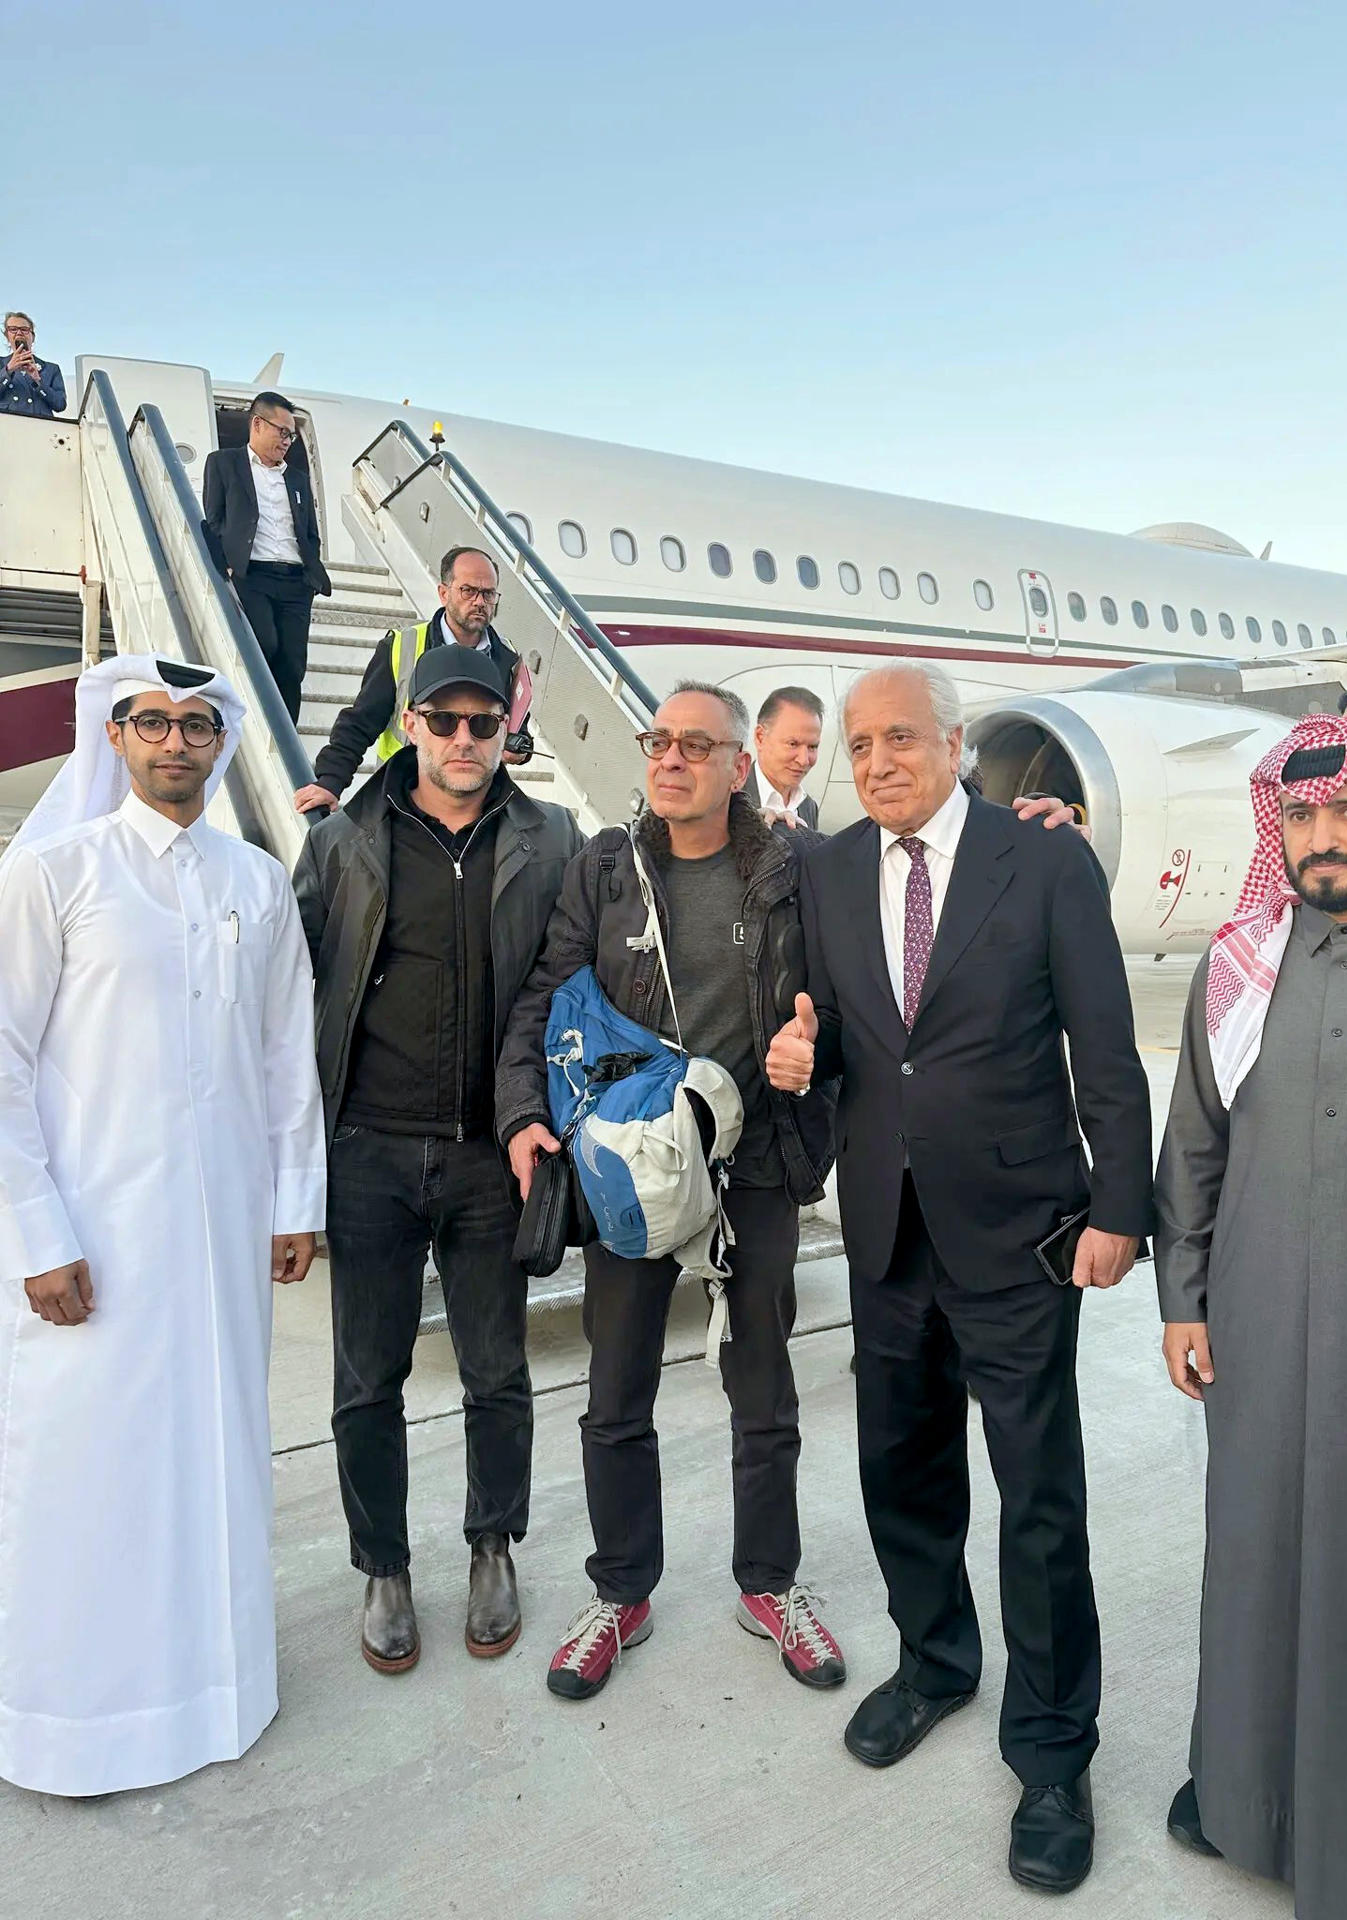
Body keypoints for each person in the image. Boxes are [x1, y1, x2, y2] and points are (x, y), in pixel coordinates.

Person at [765, 662, 1152, 1896]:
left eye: (899, 740)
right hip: (886, 1231)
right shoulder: (825, 872)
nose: (876, 762)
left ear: (953, 744)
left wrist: (1120, 1207)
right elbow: (839, 1046)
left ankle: (1050, 1752)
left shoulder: (1041, 860)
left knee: (1039, 1503)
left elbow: (1104, 1040)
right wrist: (797, 1058)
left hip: (1021, 1232)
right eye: (858, 745)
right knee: (902, 1472)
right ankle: (934, 1662)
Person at [0, 654, 325, 1797]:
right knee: (87, 1466)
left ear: (219, 741)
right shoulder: (53, 872)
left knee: (215, 1455)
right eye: (152, 723)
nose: (175, 742)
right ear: (115, 737)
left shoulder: (255, 880)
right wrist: (37, 1234)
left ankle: (215, 1691)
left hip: (225, 1233)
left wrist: (295, 1201)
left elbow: (288, 1051)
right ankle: (75, 1722)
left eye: (196, 725)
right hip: (91, 1236)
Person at [497, 682, 845, 1703]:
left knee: (763, 1388)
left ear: (743, 764)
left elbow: (849, 999)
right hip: (635, 1167)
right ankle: (622, 1590)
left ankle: (769, 1583)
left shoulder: (799, 871)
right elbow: (543, 997)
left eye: (699, 744)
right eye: (662, 741)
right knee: (614, 1396)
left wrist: (810, 1051)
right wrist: (528, 1115)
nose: (673, 758)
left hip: (759, 1166)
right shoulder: (605, 869)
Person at [1154, 709, 1347, 1920]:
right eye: (1302, 816)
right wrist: (1184, 1302)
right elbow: (1195, 1149)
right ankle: (1249, 1804)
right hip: (1260, 1336)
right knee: (1256, 1562)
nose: (1323, 837)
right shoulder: (1238, 968)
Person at [293, 644, 583, 1673]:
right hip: (366, 1151)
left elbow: (592, 971)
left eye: (484, 722)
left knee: (497, 1373)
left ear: (509, 727)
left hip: (489, 1158)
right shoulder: (342, 842)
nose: (466, 740)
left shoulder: (553, 842)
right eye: (445, 721)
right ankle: (384, 1566)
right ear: (409, 724)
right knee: (365, 1379)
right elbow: (290, 995)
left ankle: (492, 1544)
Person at [293, 546, 534, 814]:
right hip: (403, 800)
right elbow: (360, 723)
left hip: (476, 807)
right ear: (444, 593)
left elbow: (518, 727)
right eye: (468, 591)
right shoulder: (401, 646)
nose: (479, 601)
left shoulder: (508, 659)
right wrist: (330, 782)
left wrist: (520, 748)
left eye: (488, 593)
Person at [201, 391, 332, 723]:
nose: (288, 440)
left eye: (291, 434)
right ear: (257, 424)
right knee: (265, 645)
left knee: (292, 663)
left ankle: (285, 735)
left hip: (295, 581)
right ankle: (251, 721)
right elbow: (213, 520)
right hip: (252, 575)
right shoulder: (224, 463)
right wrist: (225, 564)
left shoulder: (297, 478)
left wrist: (309, 576)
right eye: (282, 431)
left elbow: (310, 533)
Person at [744, 685, 824, 827]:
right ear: (760, 737)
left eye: (812, 747)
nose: (804, 760)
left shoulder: (808, 807)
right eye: (793, 744)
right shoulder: (726, 801)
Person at [0, 311, 66, 418]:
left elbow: (60, 405)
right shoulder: (1, 364)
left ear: (33, 337)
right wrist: (8, 370)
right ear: (7, 336)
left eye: (24, 329)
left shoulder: (51, 369)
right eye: (13, 329)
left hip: (40, 429)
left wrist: (37, 381)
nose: (19, 333)